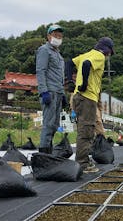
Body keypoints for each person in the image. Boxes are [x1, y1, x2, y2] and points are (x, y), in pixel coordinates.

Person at [65, 37, 115, 172]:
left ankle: (83, 159)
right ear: (107, 50)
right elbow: (87, 64)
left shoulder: (87, 54)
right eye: (110, 53)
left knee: (83, 129)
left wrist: (69, 81)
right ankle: (83, 163)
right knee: (86, 130)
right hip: (87, 97)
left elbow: (69, 63)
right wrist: (84, 85)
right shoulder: (99, 56)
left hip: (78, 97)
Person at [36, 24, 67, 153]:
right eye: (55, 35)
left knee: (55, 125)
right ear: (48, 36)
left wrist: (63, 93)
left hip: (58, 92)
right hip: (49, 92)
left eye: (60, 36)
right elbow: (40, 71)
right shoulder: (44, 50)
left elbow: (60, 76)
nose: (58, 38)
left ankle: (48, 150)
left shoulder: (59, 55)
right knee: (48, 124)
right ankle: (44, 153)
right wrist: (44, 91)